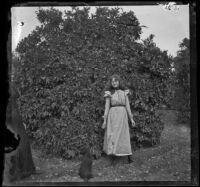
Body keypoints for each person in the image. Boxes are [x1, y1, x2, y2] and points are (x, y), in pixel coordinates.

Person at [3, 83, 36, 184]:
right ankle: (22, 168)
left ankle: (16, 169)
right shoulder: (11, 87)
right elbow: (17, 94)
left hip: (12, 116)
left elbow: (16, 94)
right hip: (13, 114)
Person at [102, 74, 136, 165]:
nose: (114, 83)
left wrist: (131, 119)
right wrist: (105, 120)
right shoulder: (109, 93)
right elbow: (106, 107)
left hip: (123, 115)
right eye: (112, 81)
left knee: (124, 136)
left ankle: (129, 157)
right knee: (113, 136)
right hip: (113, 116)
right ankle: (113, 157)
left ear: (119, 82)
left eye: (116, 81)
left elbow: (128, 106)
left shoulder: (124, 92)